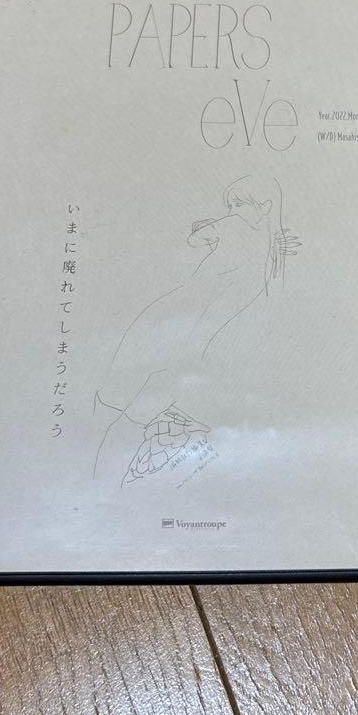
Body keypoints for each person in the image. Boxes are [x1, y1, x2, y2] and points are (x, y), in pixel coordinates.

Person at [93, 173, 298, 484]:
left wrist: (206, 227)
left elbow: (196, 238)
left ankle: (110, 442)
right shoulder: (268, 245)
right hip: (202, 320)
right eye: (231, 205)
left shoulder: (236, 227)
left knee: (135, 385)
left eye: (240, 204)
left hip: (189, 314)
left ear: (265, 206)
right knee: (150, 385)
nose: (233, 210)